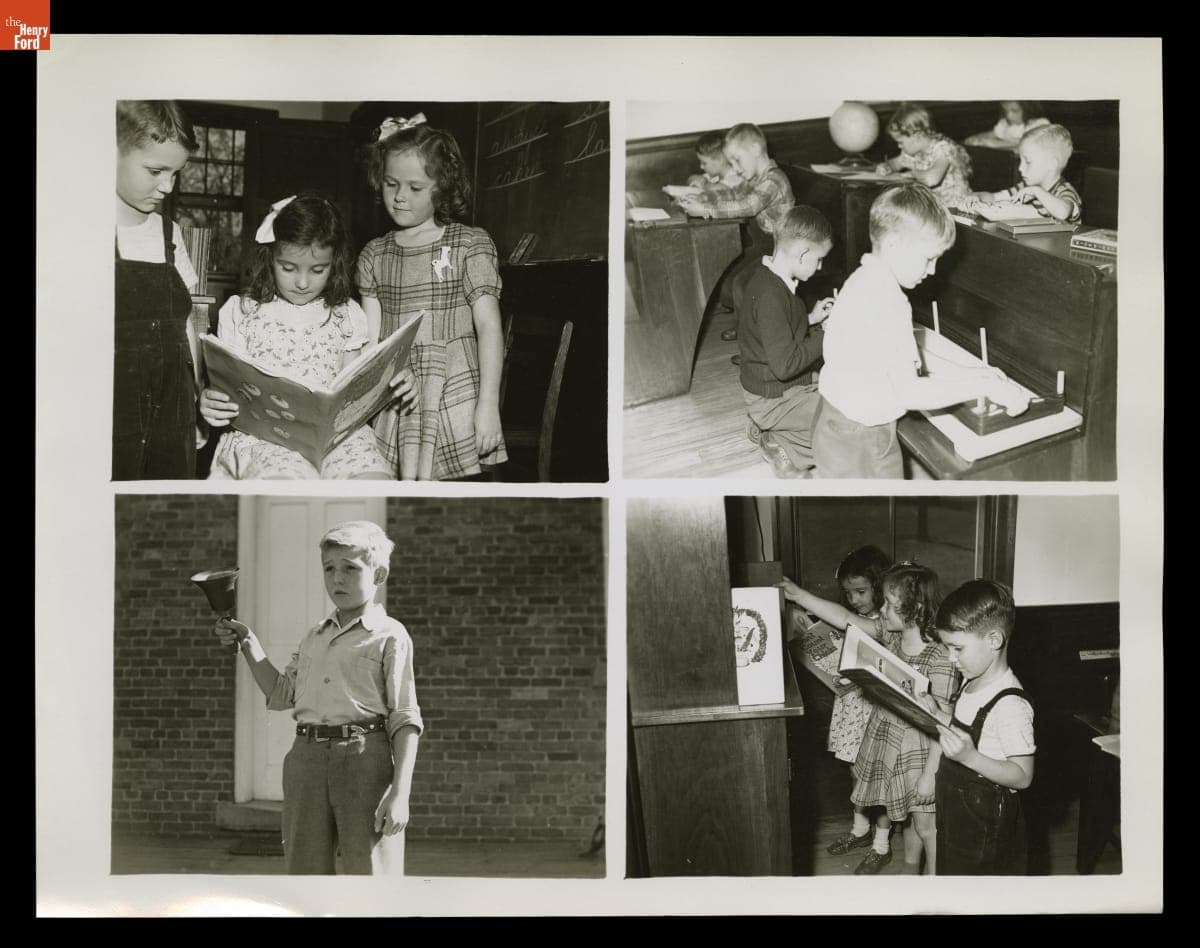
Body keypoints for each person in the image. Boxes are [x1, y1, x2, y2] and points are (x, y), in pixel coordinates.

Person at [213, 520, 422, 875]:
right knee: (305, 873)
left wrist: (400, 793)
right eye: (329, 568)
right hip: (305, 761)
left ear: (379, 574)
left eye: (350, 569)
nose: (337, 579)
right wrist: (248, 644)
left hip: (363, 760)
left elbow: (405, 719)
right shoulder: (315, 636)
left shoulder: (390, 635)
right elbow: (282, 694)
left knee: (369, 874)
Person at [813, 183, 1029, 478]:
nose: (933, 270)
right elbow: (910, 393)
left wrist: (977, 374)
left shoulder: (864, 279)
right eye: (929, 258)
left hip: (833, 421)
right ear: (893, 245)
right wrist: (985, 387)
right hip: (863, 439)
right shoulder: (890, 301)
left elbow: (891, 365)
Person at [198, 192, 413, 479]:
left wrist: (395, 378)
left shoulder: (345, 314)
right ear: (269, 258)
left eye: (318, 270)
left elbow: (357, 383)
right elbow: (225, 389)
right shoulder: (242, 312)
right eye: (287, 268)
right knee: (287, 489)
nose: (302, 282)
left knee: (373, 482)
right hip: (265, 440)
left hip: (337, 441)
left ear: (334, 264)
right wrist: (210, 401)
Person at [785, 563, 959, 874]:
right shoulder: (891, 637)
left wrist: (931, 773)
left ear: (915, 608)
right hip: (890, 739)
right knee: (904, 815)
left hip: (921, 751)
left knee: (926, 826)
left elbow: (944, 723)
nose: (882, 609)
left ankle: (936, 889)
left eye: (890, 604)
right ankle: (909, 872)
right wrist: (799, 595)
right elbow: (846, 618)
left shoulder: (940, 656)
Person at [358, 114, 506, 480]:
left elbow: (489, 327)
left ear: (442, 188)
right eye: (391, 184)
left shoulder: (469, 245)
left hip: (456, 387)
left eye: (415, 187)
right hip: (399, 391)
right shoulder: (374, 254)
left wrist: (489, 404)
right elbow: (371, 343)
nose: (399, 197)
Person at [779, 546, 893, 863]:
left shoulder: (888, 622)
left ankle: (882, 845)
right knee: (856, 774)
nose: (854, 599)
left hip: (876, 712)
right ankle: (859, 830)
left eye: (861, 591)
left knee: (877, 779)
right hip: (852, 708)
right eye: (849, 593)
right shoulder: (855, 617)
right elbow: (841, 632)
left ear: (882, 587)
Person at [922, 579, 1035, 875]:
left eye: (957, 648)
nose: (951, 658)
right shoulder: (972, 679)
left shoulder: (1011, 705)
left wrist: (969, 758)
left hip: (987, 826)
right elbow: (971, 731)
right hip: (958, 815)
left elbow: (1022, 776)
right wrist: (939, 715)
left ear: (994, 640)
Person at [114, 100, 201, 480]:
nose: (167, 186)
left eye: (176, 173)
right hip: (115, 413)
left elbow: (188, 329)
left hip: (172, 411)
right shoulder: (77, 230)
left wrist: (197, 402)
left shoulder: (171, 234)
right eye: (155, 170)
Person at [734, 206, 835, 477]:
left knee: (838, 390)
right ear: (803, 254)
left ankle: (768, 424)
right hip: (773, 395)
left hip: (775, 387)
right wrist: (829, 335)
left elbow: (778, 327)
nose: (821, 266)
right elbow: (786, 365)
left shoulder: (771, 279)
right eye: (819, 259)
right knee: (842, 431)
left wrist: (811, 318)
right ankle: (780, 443)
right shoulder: (771, 296)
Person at [674, 123, 795, 349]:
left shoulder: (774, 179)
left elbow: (748, 206)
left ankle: (756, 343)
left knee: (743, 284)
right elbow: (732, 196)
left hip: (783, 247)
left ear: (756, 148)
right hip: (766, 244)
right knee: (728, 277)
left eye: (737, 160)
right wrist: (702, 200)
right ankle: (747, 327)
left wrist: (707, 210)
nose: (736, 168)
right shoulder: (754, 179)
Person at [972, 124, 1082, 224]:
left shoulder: (1066, 191)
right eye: (1020, 161)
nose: (1020, 168)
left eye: (1028, 162)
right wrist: (977, 196)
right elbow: (994, 197)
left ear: (1052, 164)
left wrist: (1036, 191)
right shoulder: (1025, 186)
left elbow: (1063, 213)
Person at [874, 103, 973, 206]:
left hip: (957, 207)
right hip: (933, 206)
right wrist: (887, 166)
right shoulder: (912, 153)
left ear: (917, 136)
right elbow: (895, 163)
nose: (899, 146)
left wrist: (912, 174)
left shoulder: (943, 148)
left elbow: (932, 179)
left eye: (900, 142)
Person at [964, 101, 1050, 149]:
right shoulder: (1005, 125)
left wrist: (996, 144)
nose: (1009, 116)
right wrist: (976, 138)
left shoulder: (1039, 124)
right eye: (1005, 111)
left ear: (1029, 109)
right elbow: (991, 134)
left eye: (1015, 111)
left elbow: (1028, 144)